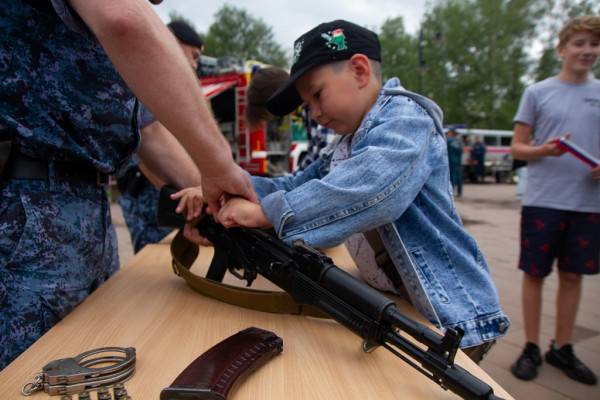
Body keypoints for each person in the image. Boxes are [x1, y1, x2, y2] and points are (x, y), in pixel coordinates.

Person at [179, 19, 510, 362]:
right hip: (403, 303)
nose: (315, 113)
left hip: (454, 317)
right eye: (307, 104)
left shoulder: (407, 119)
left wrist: (267, 212)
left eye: (317, 95)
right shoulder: (346, 145)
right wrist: (227, 190)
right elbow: (294, 184)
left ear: (359, 70)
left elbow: (371, 188)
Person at [0, 0, 254, 370]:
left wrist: (218, 201)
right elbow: (125, 20)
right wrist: (219, 165)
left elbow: (149, 134)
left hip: (84, 208)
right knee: (30, 376)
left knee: (90, 361)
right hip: (28, 205)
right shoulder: (120, 15)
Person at [510, 15, 600, 385]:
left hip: (588, 203)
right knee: (534, 273)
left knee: (573, 275)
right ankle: (530, 345)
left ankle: (562, 347)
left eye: (594, 44)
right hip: (543, 201)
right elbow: (517, 146)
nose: (587, 50)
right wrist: (543, 150)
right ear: (561, 49)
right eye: (578, 43)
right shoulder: (537, 92)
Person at [117, 20, 204, 253]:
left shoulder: (169, 88)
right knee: (155, 263)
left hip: (172, 194)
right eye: (193, 55)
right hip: (152, 197)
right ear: (173, 42)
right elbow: (144, 146)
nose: (195, 65)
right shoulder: (144, 80)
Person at [446, 129, 464, 197]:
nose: (447, 134)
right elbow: (461, 151)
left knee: (451, 177)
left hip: (451, 161)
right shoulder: (459, 142)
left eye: (448, 133)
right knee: (459, 177)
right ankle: (460, 192)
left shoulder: (449, 141)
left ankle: (451, 192)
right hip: (458, 162)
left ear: (451, 133)